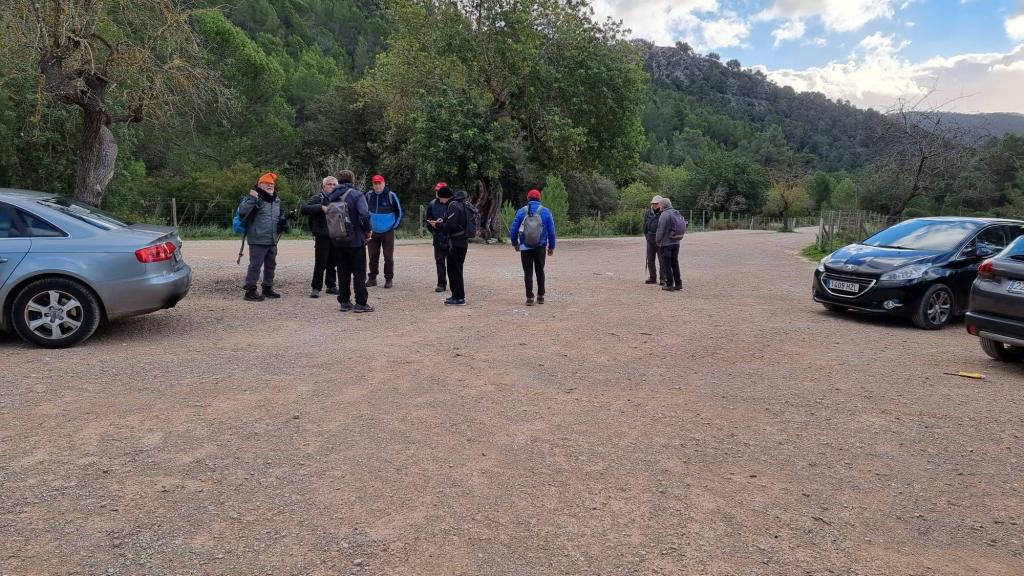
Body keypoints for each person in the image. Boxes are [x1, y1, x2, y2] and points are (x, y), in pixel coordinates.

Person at [325, 170, 374, 313]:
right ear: (353, 180)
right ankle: (361, 303)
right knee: (359, 272)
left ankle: (344, 302)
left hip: (338, 238)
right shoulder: (357, 194)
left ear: (339, 181)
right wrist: (368, 230)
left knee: (343, 271)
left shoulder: (331, 195)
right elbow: (364, 215)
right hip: (355, 239)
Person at [238, 172, 286, 302]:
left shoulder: (276, 199)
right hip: (257, 238)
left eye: (272, 184)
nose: (270, 186)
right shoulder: (254, 198)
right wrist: (253, 199)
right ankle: (250, 291)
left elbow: (279, 215)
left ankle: (267, 288)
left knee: (271, 265)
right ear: (260, 185)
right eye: (267, 184)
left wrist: (283, 222)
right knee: (255, 265)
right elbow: (242, 211)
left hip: (272, 239)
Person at [509, 189, 556, 306]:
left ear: (528, 198)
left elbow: (514, 229)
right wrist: (551, 246)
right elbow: (551, 231)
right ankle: (540, 296)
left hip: (525, 247)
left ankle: (529, 297)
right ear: (539, 199)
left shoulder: (521, 211)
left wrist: (515, 243)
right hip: (540, 246)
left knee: (528, 272)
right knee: (540, 271)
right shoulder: (546, 211)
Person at [302, 176, 340, 298]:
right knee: (321, 262)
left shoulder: (339, 198)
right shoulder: (317, 198)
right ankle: (316, 287)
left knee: (333, 261)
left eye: (334, 184)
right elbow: (304, 209)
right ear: (324, 186)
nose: (332, 186)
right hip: (322, 234)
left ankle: (331, 285)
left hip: (336, 234)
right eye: (329, 184)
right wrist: (320, 207)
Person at [365, 174, 403, 289]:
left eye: (379, 183)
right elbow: (363, 212)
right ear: (372, 184)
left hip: (388, 231)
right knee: (372, 257)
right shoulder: (368, 195)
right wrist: (367, 228)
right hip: (372, 232)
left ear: (384, 183)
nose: (377, 186)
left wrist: (394, 226)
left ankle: (388, 279)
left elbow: (399, 212)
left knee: (388, 257)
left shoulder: (391, 195)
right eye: (375, 183)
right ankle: (372, 278)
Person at [438, 184, 469, 306]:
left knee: (454, 270)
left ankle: (459, 298)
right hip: (462, 242)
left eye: (440, 198)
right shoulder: (461, 203)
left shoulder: (453, 205)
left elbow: (451, 226)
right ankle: (456, 295)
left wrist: (439, 225)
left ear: (444, 197)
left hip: (455, 243)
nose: (440, 201)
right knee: (457, 269)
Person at [424, 182, 450, 293]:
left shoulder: (452, 204)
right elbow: (428, 220)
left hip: (450, 238)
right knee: (439, 261)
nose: (437, 193)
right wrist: (434, 231)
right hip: (438, 238)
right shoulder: (432, 204)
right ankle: (441, 284)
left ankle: (455, 283)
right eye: (437, 190)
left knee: (453, 262)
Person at [655, 197, 684, 291]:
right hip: (676, 242)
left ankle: (669, 284)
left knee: (666, 264)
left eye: (660, 205)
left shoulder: (664, 214)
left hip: (666, 243)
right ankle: (678, 283)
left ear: (663, 205)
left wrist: (657, 240)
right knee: (675, 262)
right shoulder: (676, 212)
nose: (659, 206)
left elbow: (660, 229)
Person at [645, 195, 665, 285]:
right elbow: (644, 226)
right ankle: (652, 277)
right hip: (650, 240)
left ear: (660, 204)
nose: (654, 205)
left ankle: (663, 279)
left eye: (656, 204)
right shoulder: (648, 213)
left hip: (661, 240)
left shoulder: (664, 213)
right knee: (650, 259)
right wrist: (647, 237)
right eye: (653, 203)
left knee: (662, 260)